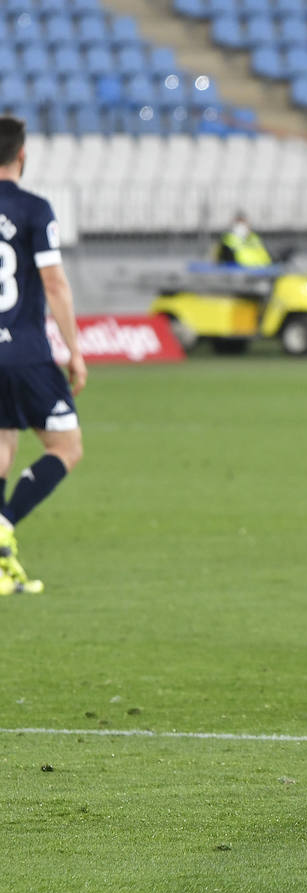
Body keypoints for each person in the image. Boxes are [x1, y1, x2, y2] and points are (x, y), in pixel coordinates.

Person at [0, 116, 86, 595]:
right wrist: (75, 352)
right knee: (66, 448)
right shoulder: (34, 209)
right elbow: (53, 282)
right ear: (22, 155)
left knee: (2, 445)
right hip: (27, 352)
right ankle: (5, 521)